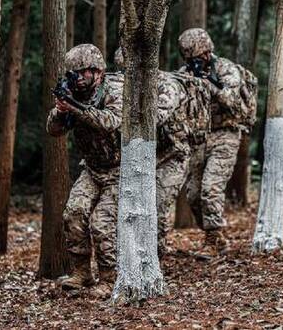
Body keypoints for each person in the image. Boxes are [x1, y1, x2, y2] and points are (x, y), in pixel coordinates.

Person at [113, 46, 211, 256]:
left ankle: (154, 252)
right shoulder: (127, 87)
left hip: (174, 155)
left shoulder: (167, 85)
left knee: (157, 202)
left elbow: (157, 117)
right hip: (147, 156)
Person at [47, 43, 123, 298]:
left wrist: (77, 109)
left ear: (98, 71)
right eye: (73, 74)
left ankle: (110, 278)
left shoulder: (115, 88)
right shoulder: (73, 93)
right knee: (74, 213)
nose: (77, 79)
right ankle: (82, 272)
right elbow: (53, 130)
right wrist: (60, 110)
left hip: (119, 169)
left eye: (82, 73)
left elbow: (111, 122)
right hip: (92, 168)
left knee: (102, 222)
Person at [177, 28, 249, 254]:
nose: (196, 63)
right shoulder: (185, 73)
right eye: (190, 60)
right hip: (198, 137)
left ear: (208, 53)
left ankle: (213, 237)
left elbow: (235, 103)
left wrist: (210, 84)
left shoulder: (226, 69)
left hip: (226, 134)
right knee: (194, 194)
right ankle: (214, 236)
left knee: (211, 188)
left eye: (198, 58)